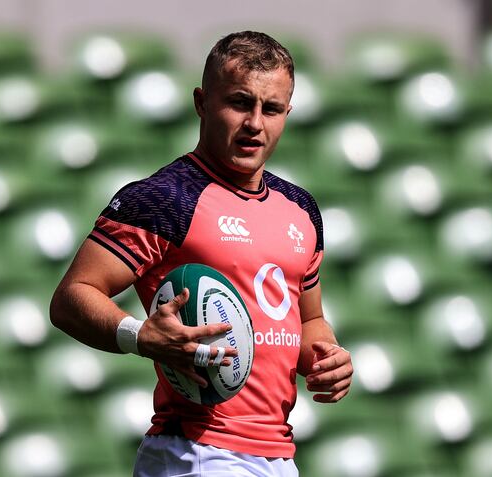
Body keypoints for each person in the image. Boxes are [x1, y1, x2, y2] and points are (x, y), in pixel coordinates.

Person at [50, 30, 352, 476]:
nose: (255, 123)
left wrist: (326, 358)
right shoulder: (164, 199)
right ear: (201, 102)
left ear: (287, 112)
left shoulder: (301, 209)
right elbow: (71, 297)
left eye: (270, 109)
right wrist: (139, 335)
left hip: (277, 455)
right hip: (195, 453)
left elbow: (308, 320)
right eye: (239, 102)